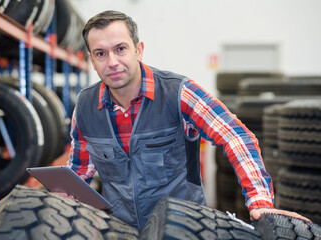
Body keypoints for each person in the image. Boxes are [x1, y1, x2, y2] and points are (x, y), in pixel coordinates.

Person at [67, 10, 309, 231]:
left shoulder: (179, 93)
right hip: (120, 231)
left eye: (120, 49)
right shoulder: (86, 107)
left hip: (182, 229)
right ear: (91, 59)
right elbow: (79, 171)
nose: (112, 62)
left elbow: (236, 136)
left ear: (138, 50)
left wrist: (261, 203)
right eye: (101, 53)